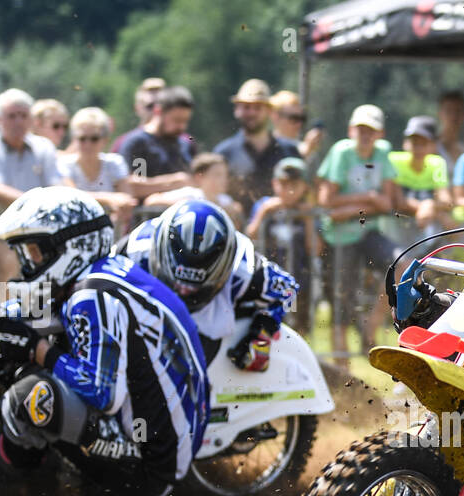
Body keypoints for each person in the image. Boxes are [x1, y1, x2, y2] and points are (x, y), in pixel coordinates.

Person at [0, 186, 209, 496]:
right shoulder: (103, 275)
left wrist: (38, 350)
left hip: (154, 466)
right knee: (34, 365)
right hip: (162, 438)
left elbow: (103, 394)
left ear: (69, 248)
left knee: (31, 396)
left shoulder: (92, 295)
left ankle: (10, 489)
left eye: (35, 252)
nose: (28, 264)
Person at [120, 198, 298, 373]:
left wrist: (261, 332)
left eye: (194, 289)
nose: (183, 291)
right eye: (177, 284)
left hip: (209, 325)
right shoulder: (135, 252)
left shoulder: (244, 269)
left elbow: (290, 291)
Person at [316, 103, 400, 356]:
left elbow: (387, 202)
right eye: (361, 129)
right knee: (342, 299)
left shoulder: (383, 152)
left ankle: (371, 328)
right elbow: (326, 201)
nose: (365, 135)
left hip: (367, 230)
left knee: (401, 266)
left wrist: (349, 210)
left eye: (371, 130)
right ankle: (341, 366)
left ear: (380, 133)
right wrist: (368, 198)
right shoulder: (341, 152)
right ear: (352, 129)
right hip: (339, 236)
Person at [247, 155, 318, 333]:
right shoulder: (264, 206)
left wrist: (308, 220)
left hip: (298, 279)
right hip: (269, 281)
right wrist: (263, 213)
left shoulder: (309, 211)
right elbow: (250, 236)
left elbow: (315, 249)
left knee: (297, 327)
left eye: (294, 186)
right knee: (270, 325)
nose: (288, 191)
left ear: (305, 188)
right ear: (274, 184)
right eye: (283, 184)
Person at [212, 80, 300, 217]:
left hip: (282, 233)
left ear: (269, 111)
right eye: (247, 107)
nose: (252, 112)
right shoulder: (223, 153)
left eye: (258, 107)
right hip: (236, 234)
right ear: (237, 109)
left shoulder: (289, 151)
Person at [0, 88, 62, 199]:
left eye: (24, 116)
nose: (19, 122)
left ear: (31, 119)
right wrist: (33, 205)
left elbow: (55, 187)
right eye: (12, 116)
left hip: (37, 214)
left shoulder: (44, 147)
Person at [57, 107, 137, 233]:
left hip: (111, 234)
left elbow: (126, 199)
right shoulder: (64, 164)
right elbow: (72, 197)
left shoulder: (115, 163)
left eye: (94, 139)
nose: (88, 144)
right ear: (74, 140)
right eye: (82, 139)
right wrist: (109, 199)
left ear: (105, 140)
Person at [119, 85, 196, 199]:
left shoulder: (186, 144)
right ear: (158, 111)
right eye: (177, 120)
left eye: (185, 121)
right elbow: (130, 186)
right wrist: (174, 182)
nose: (182, 126)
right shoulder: (137, 143)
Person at [387, 115, 453, 244]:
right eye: (414, 142)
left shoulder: (437, 163)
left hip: (425, 226)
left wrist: (429, 206)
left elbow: (446, 201)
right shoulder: (394, 161)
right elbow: (398, 201)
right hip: (398, 227)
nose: (418, 148)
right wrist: (428, 208)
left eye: (424, 143)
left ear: (433, 146)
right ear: (405, 143)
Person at [141, 152, 245, 225]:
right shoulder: (190, 194)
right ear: (200, 176)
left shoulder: (225, 200)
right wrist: (186, 204)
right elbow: (151, 201)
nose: (224, 180)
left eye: (224, 175)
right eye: (217, 175)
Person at [269, 90, 324, 160]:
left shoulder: (302, 147)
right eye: (294, 118)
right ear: (275, 116)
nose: (299, 123)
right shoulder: (266, 146)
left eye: (302, 118)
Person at [436, 91, 464, 179]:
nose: (453, 116)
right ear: (440, 114)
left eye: (458, 111)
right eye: (448, 111)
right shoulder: (431, 148)